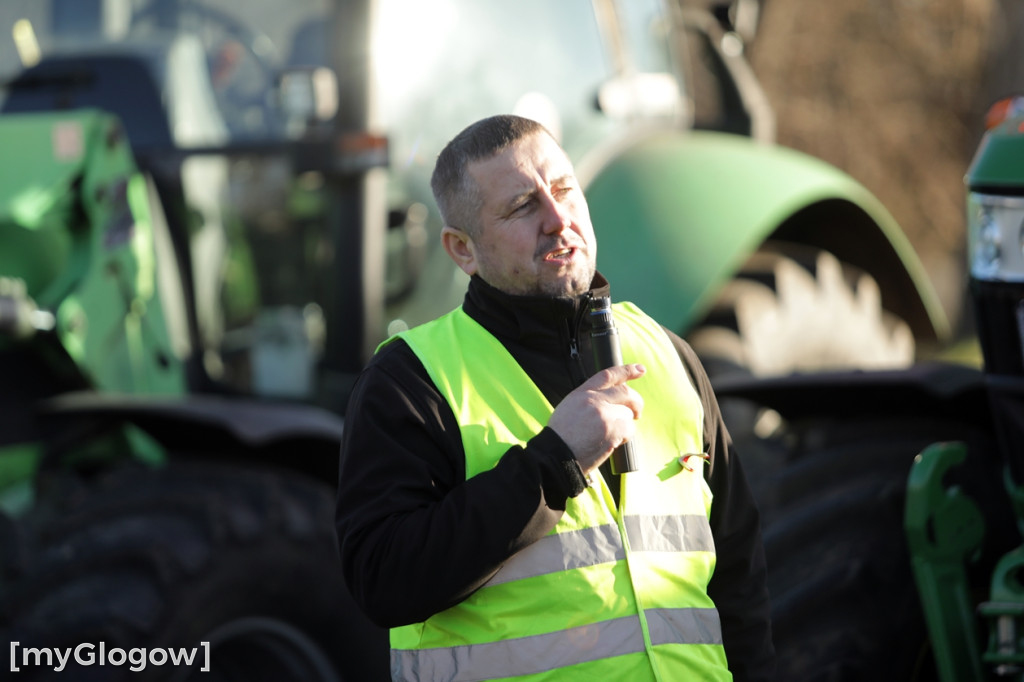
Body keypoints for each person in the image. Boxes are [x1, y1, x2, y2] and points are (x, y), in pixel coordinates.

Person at [336, 114, 775, 681]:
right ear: (462, 250)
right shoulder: (411, 382)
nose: (558, 217)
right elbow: (382, 580)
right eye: (522, 206)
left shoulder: (671, 356)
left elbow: (739, 576)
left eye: (565, 189)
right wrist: (553, 463)